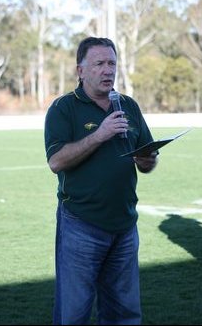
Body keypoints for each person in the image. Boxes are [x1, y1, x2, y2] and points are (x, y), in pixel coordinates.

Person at [44, 36, 158, 325]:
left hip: (124, 226)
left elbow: (147, 157)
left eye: (112, 63)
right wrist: (99, 134)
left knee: (125, 312)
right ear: (80, 70)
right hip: (81, 226)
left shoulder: (128, 105)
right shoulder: (64, 108)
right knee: (74, 312)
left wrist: (148, 160)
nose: (108, 70)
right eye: (99, 64)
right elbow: (56, 161)